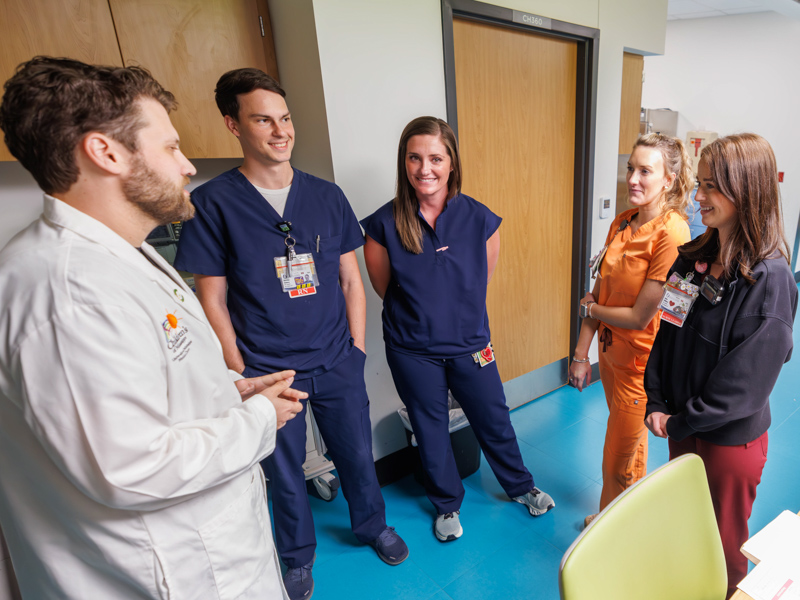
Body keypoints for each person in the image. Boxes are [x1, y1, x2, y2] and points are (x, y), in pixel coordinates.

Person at [0, 57, 305, 599]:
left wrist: (226, 393)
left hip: (211, 548)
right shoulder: (68, 293)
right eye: (169, 147)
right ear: (106, 152)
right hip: (171, 573)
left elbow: (136, 391)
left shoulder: (121, 255)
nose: (187, 165)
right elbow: (125, 468)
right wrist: (258, 417)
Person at [174, 68, 407, 600]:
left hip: (335, 359)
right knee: (283, 471)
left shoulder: (326, 196)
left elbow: (351, 279)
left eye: (285, 118)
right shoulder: (212, 204)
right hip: (267, 369)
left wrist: (356, 350)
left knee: (356, 454)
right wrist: (241, 374)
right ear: (233, 125)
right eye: (262, 119)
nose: (280, 131)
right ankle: (297, 557)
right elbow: (212, 298)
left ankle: (372, 526)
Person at [361, 116, 555, 543]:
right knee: (429, 428)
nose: (424, 168)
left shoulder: (480, 218)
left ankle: (520, 486)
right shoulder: (382, 223)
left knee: (493, 416)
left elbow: (478, 282)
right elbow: (383, 287)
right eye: (415, 158)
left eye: (435, 157)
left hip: (471, 345)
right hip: (413, 349)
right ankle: (446, 504)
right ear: (404, 162)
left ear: (451, 163)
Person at [644, 133, 797, 598]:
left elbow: (741, 389)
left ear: (746, 190)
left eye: (711, 187)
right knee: (687, 525)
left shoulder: (769, 280)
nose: (698, 197)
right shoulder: (692, 261)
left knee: (724, 546)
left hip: (728, 441)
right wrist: (656, 400)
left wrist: (678, 420)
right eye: (700, 184)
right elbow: (665, 331)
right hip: (680, 425)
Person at [568, 133, 692, 526]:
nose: (633, 179)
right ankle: (625, 521)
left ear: (668, 180)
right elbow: (598, 287)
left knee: (616, 459)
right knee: (630, 452)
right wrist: (580, 353)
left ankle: (608, 528)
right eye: (630, 168)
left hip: (640, 366)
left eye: (645, 171)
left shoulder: (671, 233)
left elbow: (640, 316)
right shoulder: (623, 222)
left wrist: (592, 308)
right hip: (609, 355)